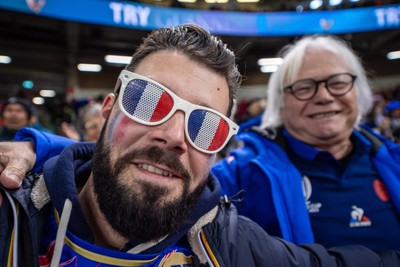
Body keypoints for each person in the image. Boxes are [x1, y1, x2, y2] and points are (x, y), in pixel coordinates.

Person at [1, 26, 400, 267]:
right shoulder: (12, 213)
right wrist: (40, 150)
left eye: (206, 126)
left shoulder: (230, 241)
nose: (175, 136)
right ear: (108, 111)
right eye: (148, 102)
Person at [211, 35, 400, 251]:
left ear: (357, 92)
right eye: (304, 87)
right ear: (280, 104)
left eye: (338, 82)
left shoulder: (394, 160)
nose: (324, 96)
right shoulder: (240, 176)